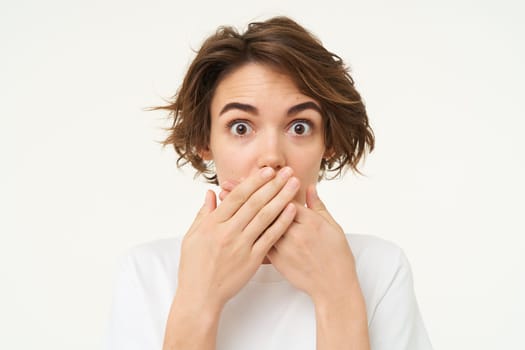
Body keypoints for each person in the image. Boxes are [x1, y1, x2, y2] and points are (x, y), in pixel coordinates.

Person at [104, 16, 433, 350]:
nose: (272, 156)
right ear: (205, 142)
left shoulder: (379, 267)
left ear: (328, 143)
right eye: (241, 127)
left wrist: (338, 296)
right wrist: (198, 300)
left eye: (300, 126)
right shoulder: (147, 272)